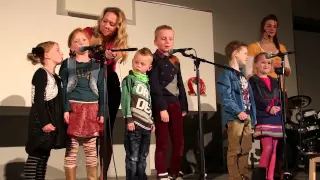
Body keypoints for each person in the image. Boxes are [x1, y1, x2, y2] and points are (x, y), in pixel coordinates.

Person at [83, 7, 128, 179]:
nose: (107, 25)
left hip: (109, 83)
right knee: (92, 132)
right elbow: (79, 51)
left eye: (112, 23)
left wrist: (110, 58)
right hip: (90, 83)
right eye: (105, 21)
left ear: (118, 27)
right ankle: (92, 175)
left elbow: (117, 58)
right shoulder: (88, 32)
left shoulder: (117, 42)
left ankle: (103, 175)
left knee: (106, 131)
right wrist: (97, 53)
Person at [246, 14, 291, 179]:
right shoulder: (254, 47)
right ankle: (262, 175)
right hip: (264, 101)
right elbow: (249, 72)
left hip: (277, 93)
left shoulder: (281, 47)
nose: (272, 29)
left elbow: (288, 71)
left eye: (275, 26)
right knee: (268, 147)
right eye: (269, 25)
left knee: (276, 146)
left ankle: (274, 174)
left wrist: (281, 66)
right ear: (263, 27)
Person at [59, 28, 105, 180]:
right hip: (74, 108)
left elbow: (102, 90)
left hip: (92, 108)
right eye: (76, 41)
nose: (80, 43)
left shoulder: (97, 64)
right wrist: (65, 109)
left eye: (83, 40)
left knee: (91, 150)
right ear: (71, 47)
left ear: (89, 43)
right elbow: (64, 87)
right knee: (71, 149)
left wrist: (102, 112)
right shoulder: (67, 64)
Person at [148, 25, 188, 180]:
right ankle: (162, 172)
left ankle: (175, 171)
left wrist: (183, 105)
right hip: (162, 105)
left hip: (176, 105)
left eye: (170, 39)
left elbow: (180, 83)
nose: (167, 41)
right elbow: (155, 85)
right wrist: (162, 107)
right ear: (155, 41)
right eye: (163, 38)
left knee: (179, 142)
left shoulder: (175, 60)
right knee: (163, 141)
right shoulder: (154, 60)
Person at [24, 41, 66, 180]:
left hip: (51, 123)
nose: (61, 53)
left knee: (43, 158)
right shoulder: (41, 74)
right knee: (35, 156)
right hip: (41, 123)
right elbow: (39, 101)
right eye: (57, 50)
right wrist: (44, 122)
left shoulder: (56, 77)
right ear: (46, 55)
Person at [217, 40, 256, 180]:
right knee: (234, 149)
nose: (247, 57)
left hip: (247, 117)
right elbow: (226, 98)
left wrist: (253, 119)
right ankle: (235, 177)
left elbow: (249, 99)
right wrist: (238, 111)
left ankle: (244, 175)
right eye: (245, 53)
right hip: (235, 117)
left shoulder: (243, 76)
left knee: (246, 148)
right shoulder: (226, 74)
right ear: (235, 53)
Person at [121, 47, 155, 180]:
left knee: (143, 157)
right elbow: (125, 98)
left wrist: (151, 121)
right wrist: (128, 118)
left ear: (149, 67)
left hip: (146, 126)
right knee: (133, 157)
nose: (138, 66)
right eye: (136, 62)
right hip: (134, 124)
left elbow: (148, 103)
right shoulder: (129, 79)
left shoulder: (147, 83)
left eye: (142, 64)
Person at [249, 52, 283, 180]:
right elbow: (255, 98)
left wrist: (279, 106)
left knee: (274, 149)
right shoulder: (253, 80)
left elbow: (279, 96)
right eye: (262, 62)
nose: (266, 65)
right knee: (267, 147)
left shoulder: (275, 80)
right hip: (263, 115)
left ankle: (270, 177)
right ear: (256, 64)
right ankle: (260, 177)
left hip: (276, 116)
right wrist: (268, 108)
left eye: (268, 63)